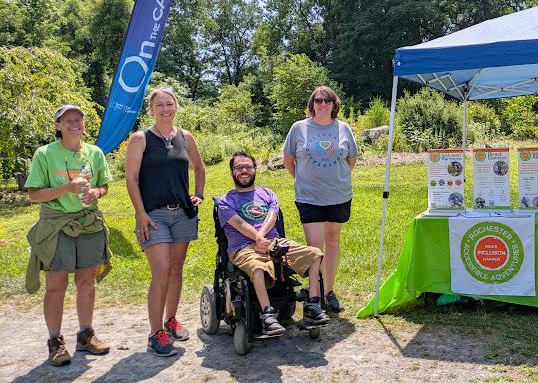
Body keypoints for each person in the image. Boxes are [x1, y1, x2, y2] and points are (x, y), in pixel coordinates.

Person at [24, 105, 113, 365]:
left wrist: (96, 193)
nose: (75, 123)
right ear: (58, 126)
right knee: (56, 286)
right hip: (56, 226)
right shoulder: (45, 154)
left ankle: (85, 336)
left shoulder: (95, 153)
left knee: (86, 282)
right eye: (68, 120)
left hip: (89, 224)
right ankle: (55, 341)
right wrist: (68, 188)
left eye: (79, 119)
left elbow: (105, 185)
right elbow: (34, 195)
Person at [125, 88, 206, 356]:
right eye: (159, 105)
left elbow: (199, 168)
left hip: (182, 212)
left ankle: (171, 320)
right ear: (151, 109)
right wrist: (140, 213)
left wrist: (199, 194)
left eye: (170, 104)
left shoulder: (185, 137)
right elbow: (131, 179)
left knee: (175, 268)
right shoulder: (140, 139)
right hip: (153, 214)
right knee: (160, 271)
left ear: (177, 106)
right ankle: (155, 333)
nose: (165, 109)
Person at [218, 151, 330, 335]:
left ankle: (313, 304)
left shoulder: (267, 193)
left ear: (255, 169)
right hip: (243, 248)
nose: (244, 170)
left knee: (314, 254)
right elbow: (239, 223)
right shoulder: (226, 201)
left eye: (248, 166)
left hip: (273, 242)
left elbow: (272, 215)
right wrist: (258, 239)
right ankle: (267, 314)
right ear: (232, 172)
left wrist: (262, 237)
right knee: (257, 267)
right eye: (239, 167)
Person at [283, 86, 358, 313]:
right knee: (315, 246)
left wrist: (335, 177)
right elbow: (288, 160)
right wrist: (303, 180)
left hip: (338, 195)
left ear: (334, 104)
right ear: (312, 103)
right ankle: (314, 294)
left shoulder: (343, 128)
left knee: (333, 241)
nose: (322, 104)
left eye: (327, 100)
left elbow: (351, 159)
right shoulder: (299, 128)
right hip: (309, 197)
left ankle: (329, 291)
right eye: (318, 100)